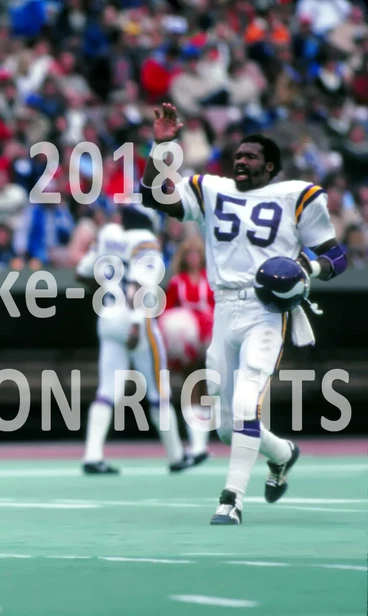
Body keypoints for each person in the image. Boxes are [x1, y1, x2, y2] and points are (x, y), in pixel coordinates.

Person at [139, 102, 348, 525]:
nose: (241, 162)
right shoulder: (213, 190)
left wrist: (308, 267)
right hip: (224, 309)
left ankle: (230, 499)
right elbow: (152, 195)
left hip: (266, 310)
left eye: (250, 157)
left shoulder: (296, 197)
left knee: (247, 402)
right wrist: (162, 145)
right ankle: (283, 453)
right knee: (224, 426)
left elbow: (337, 257)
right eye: (237, 156)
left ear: (270, 166)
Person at [74, 206, 202, 475]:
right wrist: (134, 323)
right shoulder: (146, 240)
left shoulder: (107, 234)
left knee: (107, 390)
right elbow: (139, 287)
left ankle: (92, 454)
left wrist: (108, 292)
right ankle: (177, 455)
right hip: (137, 319)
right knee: (159, 391)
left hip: (107, 314)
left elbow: (82, 272)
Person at [164, 235, 214, 461]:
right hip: (187, 342)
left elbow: (218, 306)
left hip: (210, 338)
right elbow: (166, 310)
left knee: (210, 386)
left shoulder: (210, 278)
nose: (193, 257)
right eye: (189, 253)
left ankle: (204, 443)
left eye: (197, 253)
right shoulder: (178, 281)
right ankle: (196, 445)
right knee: (191, 385)